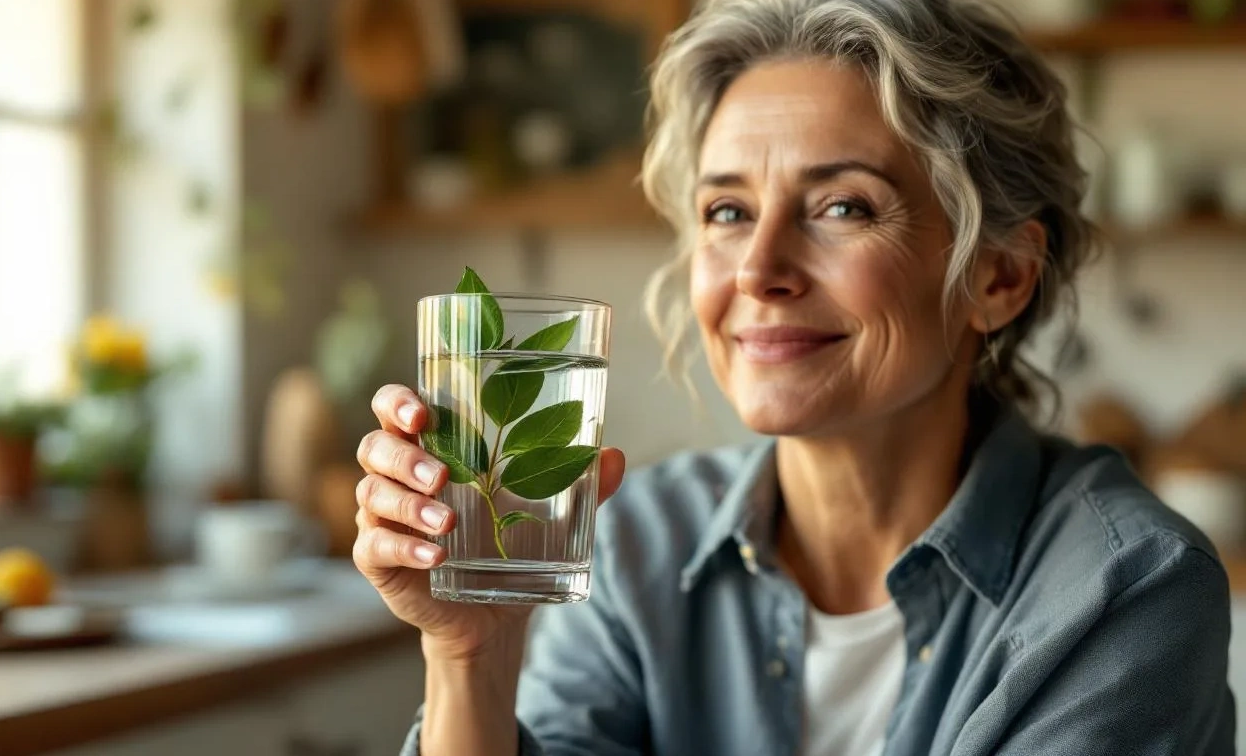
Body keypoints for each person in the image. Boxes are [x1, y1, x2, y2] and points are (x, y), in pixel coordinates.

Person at [352, 0, 1235, 753]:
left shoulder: (1124, 587)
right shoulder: (635, 549)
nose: (757, 269)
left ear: (997, 276)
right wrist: (470, 658)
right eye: (727, 211)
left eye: (842, 206)